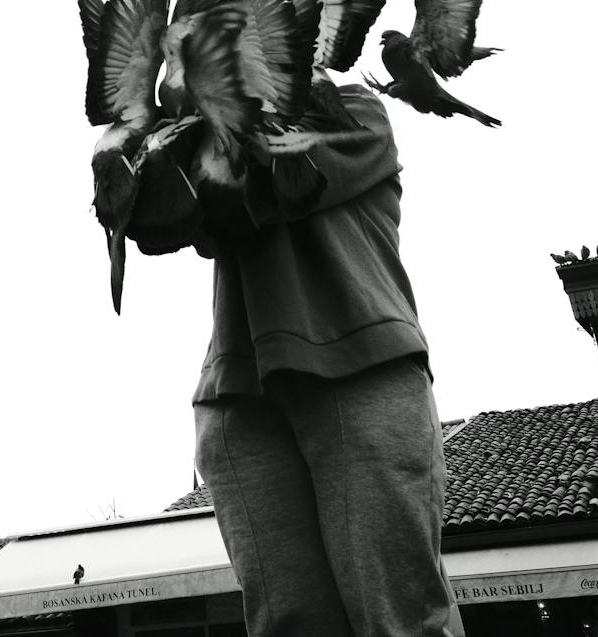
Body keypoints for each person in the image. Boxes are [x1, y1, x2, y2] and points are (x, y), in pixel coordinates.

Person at [191, 78, 462, 637]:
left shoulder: (357, 110)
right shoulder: (206, 125)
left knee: (398, 620)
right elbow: (181, 214)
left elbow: (275, 184)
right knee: (288, 624)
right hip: (238, 392)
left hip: (362, 370)